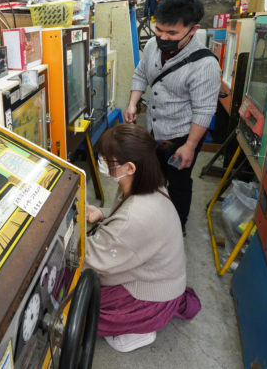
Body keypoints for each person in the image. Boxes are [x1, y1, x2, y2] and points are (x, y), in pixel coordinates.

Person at [85, 123, 201, 352]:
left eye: (106, 160)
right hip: (162, 280)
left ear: (129, 167)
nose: (102, 163)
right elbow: (127, 220)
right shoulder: (149, 184)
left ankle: (139, 329)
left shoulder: (136, 215)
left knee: (76, 304)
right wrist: (103, 214)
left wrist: (59, 238)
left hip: (152, 298)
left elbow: (91, 259)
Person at [124, 0, 220, 233]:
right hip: (154, 128)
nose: (163, 37)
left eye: (172, 33)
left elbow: (204, 110)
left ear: (193, 29)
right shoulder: (151, 46)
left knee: (178, 182)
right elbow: (141, 74)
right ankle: (154, 218)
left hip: (182, 136)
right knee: (153, 175)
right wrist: (133, 103)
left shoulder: (205, 65)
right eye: (159, 30)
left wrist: (190, 146)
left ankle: (176, 229)